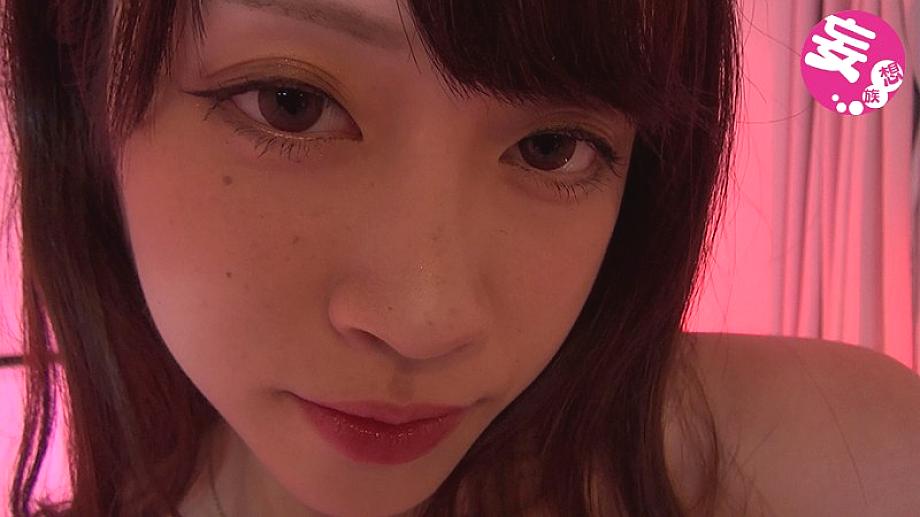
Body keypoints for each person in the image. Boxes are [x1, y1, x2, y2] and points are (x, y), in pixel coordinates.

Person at [3, 0, 919, 516]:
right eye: (290, 103)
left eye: (553, 147)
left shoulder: (818, 458)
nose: (425, 321)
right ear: (84, 93)